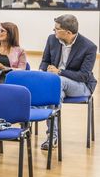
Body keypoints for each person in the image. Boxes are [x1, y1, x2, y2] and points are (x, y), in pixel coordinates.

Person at [39, 14, 97, 149]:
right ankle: (52, 136)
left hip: (82, 86)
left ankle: (40, 110)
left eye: (56, 29)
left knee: (57, 82)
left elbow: (83, 76)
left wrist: (59, 72)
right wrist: (43, 72)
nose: (54, 31)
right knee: (55, 91)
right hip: (58, 85)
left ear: (68, 32)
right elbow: (45, 61)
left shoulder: (89, 47)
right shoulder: (52, 39)